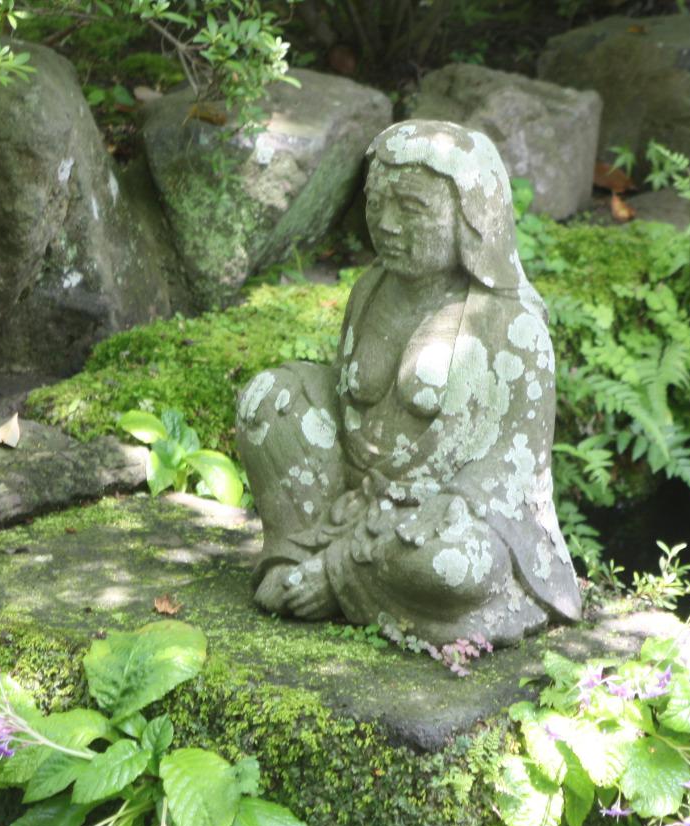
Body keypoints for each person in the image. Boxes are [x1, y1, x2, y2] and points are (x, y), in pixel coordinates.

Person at [235, 119, 581, 647]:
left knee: (456, 565)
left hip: (439, 513)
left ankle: (336, 576)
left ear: (472, 219)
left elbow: (519, 465)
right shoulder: (371, 288)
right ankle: (298, 553)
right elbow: (348, 403)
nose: (387, 225)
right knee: (270, 401)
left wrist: (458, 500)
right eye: (376, 204)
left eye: (412, 208)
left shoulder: (511, 326)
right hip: (355, 491)